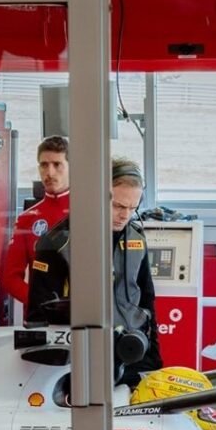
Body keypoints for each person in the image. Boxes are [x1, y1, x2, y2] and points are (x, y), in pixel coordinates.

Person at [27, 156, 163, 388]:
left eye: (133, 208)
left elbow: (147, 301)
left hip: (132, 354)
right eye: (118, 206)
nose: (125, 215)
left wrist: (154, 360)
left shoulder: (136, 238)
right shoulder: (57, 243)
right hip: (77, 360)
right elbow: (38, 317)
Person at [1, 135, 70, 305]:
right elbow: (9, 278)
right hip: (41, 315)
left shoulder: (90, 213)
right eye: (44, 165)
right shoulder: (27, 219)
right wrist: (39, 303)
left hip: (84, 314)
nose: (49, 173)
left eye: (57, 164)